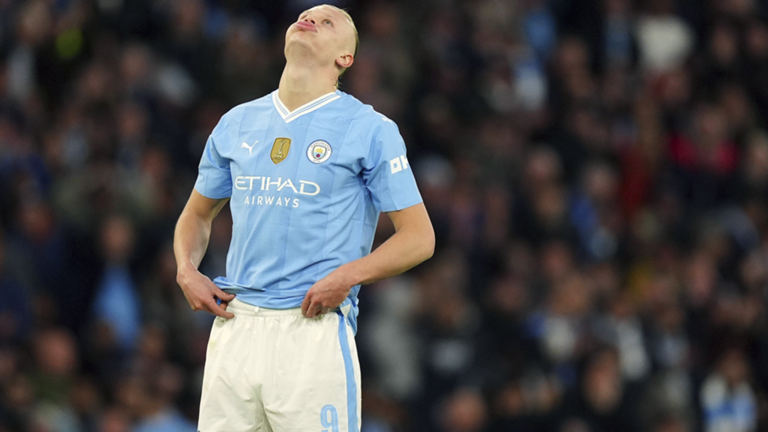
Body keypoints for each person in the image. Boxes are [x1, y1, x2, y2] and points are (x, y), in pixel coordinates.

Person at [173, 4, 435, 432]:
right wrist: (186, 270)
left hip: (311, 326)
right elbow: (197, 215)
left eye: (328, 22)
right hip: (235, 325)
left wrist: (347, 276)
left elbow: (419, 238)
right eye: (306, 15)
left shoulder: (370, 128)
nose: (309, 19)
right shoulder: (237, 123)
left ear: (345, 57)